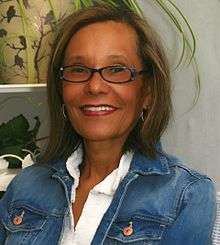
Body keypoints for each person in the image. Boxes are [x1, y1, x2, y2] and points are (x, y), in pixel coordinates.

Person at [0, 3, 216, 245]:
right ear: (61, 90)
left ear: (147, 92)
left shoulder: (186, 194)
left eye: (116, 69)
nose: (94, 86)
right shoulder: (26, 185)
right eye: (78, 69)